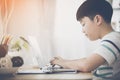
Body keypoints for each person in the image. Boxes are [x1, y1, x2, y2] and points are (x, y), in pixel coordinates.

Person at [50, 0, 120, 80]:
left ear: (97, 20)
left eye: (83, 24)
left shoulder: (114, 39)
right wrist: (65, 61)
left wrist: (60, 62)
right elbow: (87, 60)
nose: (82, 30)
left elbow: (86, 65)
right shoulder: (112, 39)